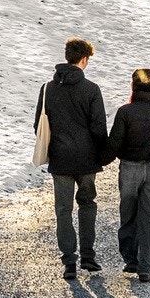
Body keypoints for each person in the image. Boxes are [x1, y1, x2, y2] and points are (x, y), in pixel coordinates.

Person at [34, 37, 108, 281]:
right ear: (84, 59)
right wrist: (102, 151)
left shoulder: (47, 89)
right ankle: (88, 257)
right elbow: (98, 127)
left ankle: (69, 262)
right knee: (87, 204)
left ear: (67, 57)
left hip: (60, 160)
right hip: (87, 160)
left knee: (63, 209)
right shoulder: (91, 89)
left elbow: (39, 125)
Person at [106, 66, 150, 283]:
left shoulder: (126, 112)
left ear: (133, 86)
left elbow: (114, 144)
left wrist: (99, 159)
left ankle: (131, 259)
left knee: (129, 213)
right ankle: (145, 267)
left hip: (130, 168)